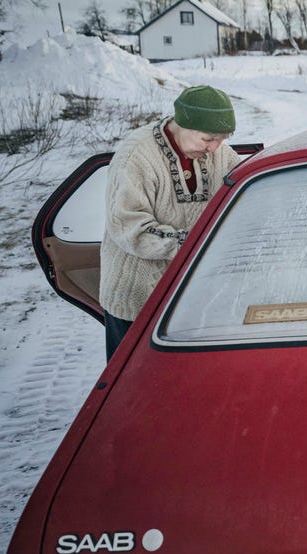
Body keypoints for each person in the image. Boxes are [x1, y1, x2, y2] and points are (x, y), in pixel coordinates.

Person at [99, 85, 241, 360]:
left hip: (190, 295)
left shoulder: (219, 154)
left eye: (221, 139)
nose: (214, 148)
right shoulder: (137, 156)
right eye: (208, 139)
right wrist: (197, 246)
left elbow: (241, 187)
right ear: (182, 124)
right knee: (134, 386)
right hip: (137, 298)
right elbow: (130, 228)